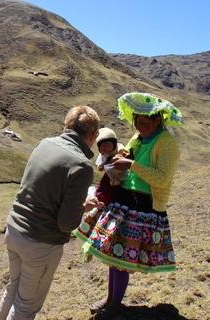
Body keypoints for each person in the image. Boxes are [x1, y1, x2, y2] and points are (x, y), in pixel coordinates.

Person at [74, 92, 183, 320]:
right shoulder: (139, 137)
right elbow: (128, 153)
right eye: (136, 121)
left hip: (143, 207)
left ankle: (114, 305)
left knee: (122, 260)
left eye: (145, 122)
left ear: (158, 120)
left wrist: (131, 164)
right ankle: (110, 299)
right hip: (123, 201)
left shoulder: (168, 144)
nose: (139, 126)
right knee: (115, 255)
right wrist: (122, 155)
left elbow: (162, 178)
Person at [0, 105, 103, 320]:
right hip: (40, 243)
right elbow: (67, 223)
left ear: (66, 126)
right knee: (26, 306)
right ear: (93, 136)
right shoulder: (81, 165)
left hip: (14, 229)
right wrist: (85, 207)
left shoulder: (45, 143)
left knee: (12, 288)